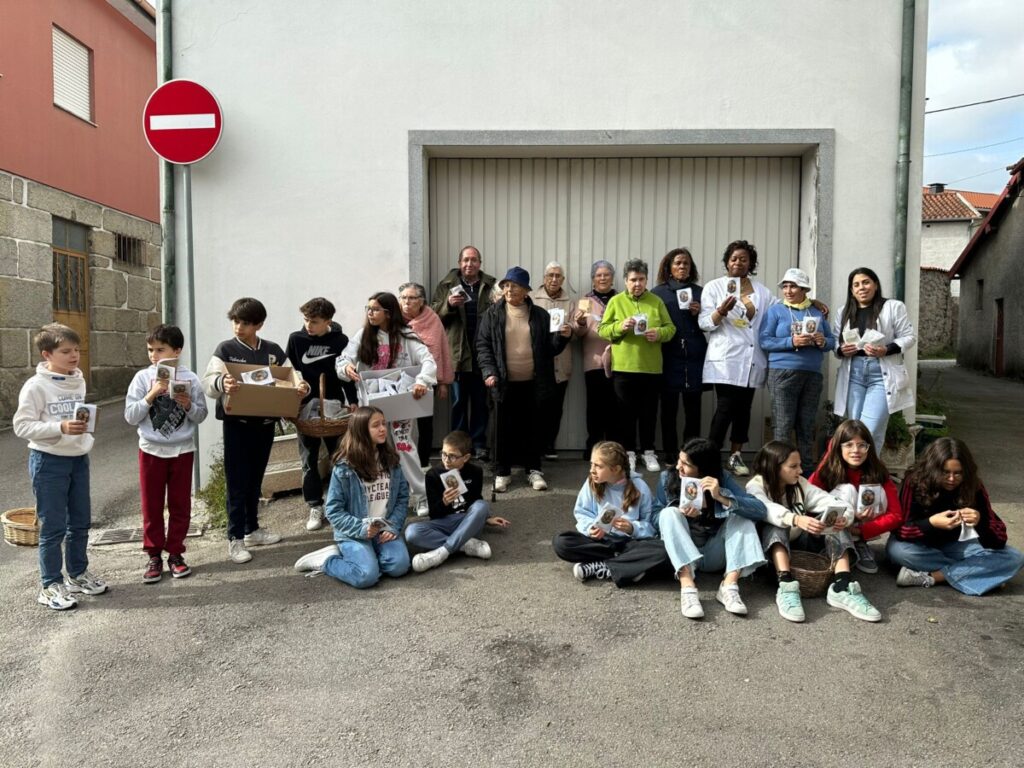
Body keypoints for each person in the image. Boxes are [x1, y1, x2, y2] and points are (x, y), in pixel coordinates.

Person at [203, 297, 309, 564]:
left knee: (255, 479)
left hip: (265, 425)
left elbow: (292, 377)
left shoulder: (272, 351)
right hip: (237, 425)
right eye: (236, 321)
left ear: (259, 325)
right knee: (237, 482)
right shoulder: (226, 349)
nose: (238, 327)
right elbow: (208, 382)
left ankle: (252, 530)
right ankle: (235, 538)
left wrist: (301, 387)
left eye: (246, 323)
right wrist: (222, 383)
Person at [14, 324, 109, 610]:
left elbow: (76, 416)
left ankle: (77, 575)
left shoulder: (77, 380)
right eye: (66, 351)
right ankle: (50, 584)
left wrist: (85, 431)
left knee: (80, 522)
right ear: (47, 354)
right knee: (53, 526)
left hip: (78, 458)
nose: (74, 356)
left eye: (77, 350)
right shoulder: (35, 386)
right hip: (48, 461)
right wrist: (60, 426)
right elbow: (21, 425)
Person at [747, 440, 881, 623]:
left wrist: (844, 518)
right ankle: (786, 585)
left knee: (833, 520)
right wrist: (795, 519)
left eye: (800, 465)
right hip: (771, 553)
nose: (800, 471)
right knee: (777, 523)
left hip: (802, 545)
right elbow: (766, 508)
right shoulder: (755, 485)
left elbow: (833, 502)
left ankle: (842, 585)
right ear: (773, 467)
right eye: (793, 466)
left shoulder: (800, 484)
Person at [337, 292, 437, 515]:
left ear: (388, 313)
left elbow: (428, 360)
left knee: (404, 446)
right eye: (368, 308)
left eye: (375, 309)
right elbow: (344, 359)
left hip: (400, 402)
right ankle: (379, 500)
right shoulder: (363, 335)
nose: (370, 313)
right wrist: (346, 368)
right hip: (371, 404)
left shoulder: (406, 336)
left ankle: (421, 496)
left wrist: (422, 381)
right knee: (373, 449)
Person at [124, 324, 208, 582]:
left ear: (177, 350)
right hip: (150, 450)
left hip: (182, 449)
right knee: (152, 505)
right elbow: (130, 416)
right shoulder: (141, 378)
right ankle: (153, 556)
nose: (154, 355)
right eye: (150, 350)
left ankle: (175, 553)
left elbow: (201, 415)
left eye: (160, 350)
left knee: (181, 505)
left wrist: (188, 404)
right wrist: (151, 395)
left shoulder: (191, 378)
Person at [292, 406, 411, 587]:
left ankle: (368, 556)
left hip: (383, 529)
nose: (382, 429)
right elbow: (333, 510)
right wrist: (361, 529)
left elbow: (402, 497)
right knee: (366, 576)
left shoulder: (391, 460)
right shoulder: (345, 467)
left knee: (400, 566)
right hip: (354, 532)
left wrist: (393, 526)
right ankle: (328, 561)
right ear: (361, 430)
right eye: (375, 425)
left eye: (383, 424)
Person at [888, 438, 1024, 595]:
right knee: (898, 552)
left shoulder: (974, 486)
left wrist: (980, 522)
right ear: (933, 469)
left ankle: (934, 577)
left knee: (1014, 557)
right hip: (920, 547)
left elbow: (1000, 538)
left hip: (957, 545)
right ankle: (980, 573)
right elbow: (900, 530)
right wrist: (931, 523)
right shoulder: (915, 481)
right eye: (945, 473)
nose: (952, 479)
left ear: (966, 472)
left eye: (958, 473)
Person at [476, 266, 570, 493]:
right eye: (506, 285)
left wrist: (564, 337)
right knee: (501, 429)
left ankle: (533, 470)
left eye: (514, 286)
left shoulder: (540, 315)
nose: (509, 290)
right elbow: (483, 346)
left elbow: (550, 349)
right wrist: (489, 371)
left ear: (526, 290)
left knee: (533, 427)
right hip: (502, 382)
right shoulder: (492, 314)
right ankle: (502, 472)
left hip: (534, 382)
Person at [654, 438, 766, 619]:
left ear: (703, 469)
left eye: (686, 464)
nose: (678, 467)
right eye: (679, 461)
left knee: (742, 516)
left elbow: (760, 510)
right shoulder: (667, 478)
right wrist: (679, 511)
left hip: (715, 552)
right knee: (668, 514)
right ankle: (688, 587)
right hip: (683, 555)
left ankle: (728, 586)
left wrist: (722, 497)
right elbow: (654, 516)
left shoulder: (721, 479)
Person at [699, 240, 776, 477]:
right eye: (734, 258)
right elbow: (704, 323)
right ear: (727, 262)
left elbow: (780, 313)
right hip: (726, 359)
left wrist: (811, 302)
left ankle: (735, 455)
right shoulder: (714, 287)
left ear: (751, 263)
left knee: (744, 409)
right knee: (725, 407)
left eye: (744, 259)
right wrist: (720, 312)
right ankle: (710, 457)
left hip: (752, 359)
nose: (738, 263)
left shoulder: (763, 292)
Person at [552, 441, 673, 586]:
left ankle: (603, 566)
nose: (592, 470)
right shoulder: (592, 482)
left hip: (631, 543)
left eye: (598, 466)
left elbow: (652, 526)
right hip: (601, 542)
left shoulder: (640, 487)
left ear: (615, 469)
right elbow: (582, 512)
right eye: (592, 464)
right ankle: (629, 566)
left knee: (664, 551)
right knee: (561, 542)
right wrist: (590, 528)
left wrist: (632, 528)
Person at [286, 297, 356, 532]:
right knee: (309, 460)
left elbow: (345, 374)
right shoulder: (296, 340)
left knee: (341, 459)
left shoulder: (341, 340)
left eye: (314, 321)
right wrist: (289, 403)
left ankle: (340, 503)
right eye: (306, 320)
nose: (308, 325)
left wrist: (353, 400)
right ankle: (314, 505)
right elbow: (289, 372)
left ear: (328, 321)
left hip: (334, 405)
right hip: (305, 409)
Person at [598, 258, 675, 473]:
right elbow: (602, 329)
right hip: (623, 367)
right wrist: (620, 326)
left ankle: (648, 452)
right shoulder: (616, 301)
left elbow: (671, 329)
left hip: (651, 368)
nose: (637, 284)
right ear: (625, 281)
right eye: (633, 280)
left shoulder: (656, 301)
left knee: (649, 413)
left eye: (641, 279)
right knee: (625, 414)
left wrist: (658, 333)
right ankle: (629, 453)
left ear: (646, 279)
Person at [759, 267, 835, 475]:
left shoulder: (817, 312)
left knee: (806, 424)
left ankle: (807, 471)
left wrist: (822, 340)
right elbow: (765, 340)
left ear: (804, 289)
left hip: (812, 375)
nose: (788, 290)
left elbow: (832, 342)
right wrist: (791, 341)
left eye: (794, 286)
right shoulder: (775, 311)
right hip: (783, 372)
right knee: (783, 424)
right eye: (785, 286)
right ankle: (779, 470)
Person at [833, 267, 916, 451]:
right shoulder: (844, 312)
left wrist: (885, 349)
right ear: (851, 290)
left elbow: (909, 337)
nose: (861, 287)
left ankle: (865, 475)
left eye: (866, 282)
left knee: (866, 431)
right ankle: (868, 476)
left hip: (881, 374)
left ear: (875, 285)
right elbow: (835, 343)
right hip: (853, 373)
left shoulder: (893, 307)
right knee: (860, 430)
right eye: (856, 285)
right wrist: (841, 350)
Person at [405, 430, 510, 572]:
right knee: (412, 532)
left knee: (482, 506)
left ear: (466, 457)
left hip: (467, 521)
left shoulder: (475, 472)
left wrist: (487, 518)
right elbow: (434, 514)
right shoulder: (433, 475)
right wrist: (444, 502)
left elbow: (476, 501)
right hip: (445, 522)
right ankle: (465, 545)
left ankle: (441, 553)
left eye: (452, 456)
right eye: (443, 454)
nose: (446, 460)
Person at [808, 419, 902, 574]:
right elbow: (808, 503)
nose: (856, 450)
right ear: (838, 447)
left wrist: (862, 530)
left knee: (879, 492)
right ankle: (832, 547)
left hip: (861, 526)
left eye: (862, 445)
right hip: (830, 527)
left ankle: (858, 543)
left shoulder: (878, 470)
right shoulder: (827, 469)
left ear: (869, 448)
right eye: (849, 445)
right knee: (848, 490)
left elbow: (896, 515)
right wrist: (846, 516)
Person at [431, 245, 497, 459]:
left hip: (482, 353)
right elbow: (433, 316)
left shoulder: (491, 285)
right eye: (466, 260)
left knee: (480, 403)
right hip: (457, 355)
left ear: (480, 263)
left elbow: (500, 316)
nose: (470, 264)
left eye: (474, 260)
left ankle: (478, 444)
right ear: (460, 263)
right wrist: (448, 305)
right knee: (459, 403)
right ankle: (458, 446)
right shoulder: (446, 285)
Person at [651, 248, 708, 465]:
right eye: (678, 263)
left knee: (694, 408)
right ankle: (670, 453)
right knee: (668, 407)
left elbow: (711, 321)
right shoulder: (658, 293)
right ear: (669, 267)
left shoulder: (700, 292)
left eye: (686, 263)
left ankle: (691, 454)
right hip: (669, 354)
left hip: (694, 354)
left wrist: (699, 313)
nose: (682, 267)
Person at [529, 262, 585, 459]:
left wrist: (574, 329)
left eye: (558, 276)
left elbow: (578, 336)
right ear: (544, 278)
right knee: (534, 407)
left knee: (555, 407)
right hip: (537, 363)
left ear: (563, 280)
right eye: (551, 275)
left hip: (561, 363)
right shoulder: (532, 299)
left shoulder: (571, 302)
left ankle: (549, 445)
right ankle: (532, 445)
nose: (554, 279)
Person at [398, 282, 454, 469]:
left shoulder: (432, 319)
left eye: (412, 298)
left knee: (425, 423)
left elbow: (443, 350)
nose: (407, 301)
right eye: (404, 297)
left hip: (427, 378)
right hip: (397, 379)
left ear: (421, 301)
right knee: (400, 424)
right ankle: (400, 463)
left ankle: (423, 464)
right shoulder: (394, 319)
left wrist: (444, 381)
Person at [578, 260, 618, 460]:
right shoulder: (585, 301)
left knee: (615, 406)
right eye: (598, 275)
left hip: (618, 360)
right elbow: (579, 332)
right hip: (593, 361)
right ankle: (593, 446)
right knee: (595, 407)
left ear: (612, 277)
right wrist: (579, 324)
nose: (602, 278)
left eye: (606, 275)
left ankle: (612, 449)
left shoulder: (621, 298)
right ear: (593, 279)